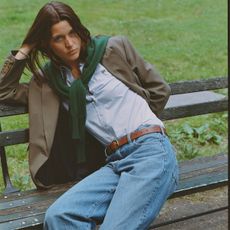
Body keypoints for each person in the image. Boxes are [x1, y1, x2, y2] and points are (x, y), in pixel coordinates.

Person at [0, 1, 179, 229]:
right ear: (46, 44)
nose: (70, 43)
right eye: (58, 38)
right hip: (114, 162)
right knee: (60, 216)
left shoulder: (114, 49)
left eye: (72, 33)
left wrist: (142, 127)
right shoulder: (49, 83)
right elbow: (4, 90)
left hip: (150, 152)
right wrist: (26, 46)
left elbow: (159, 90)